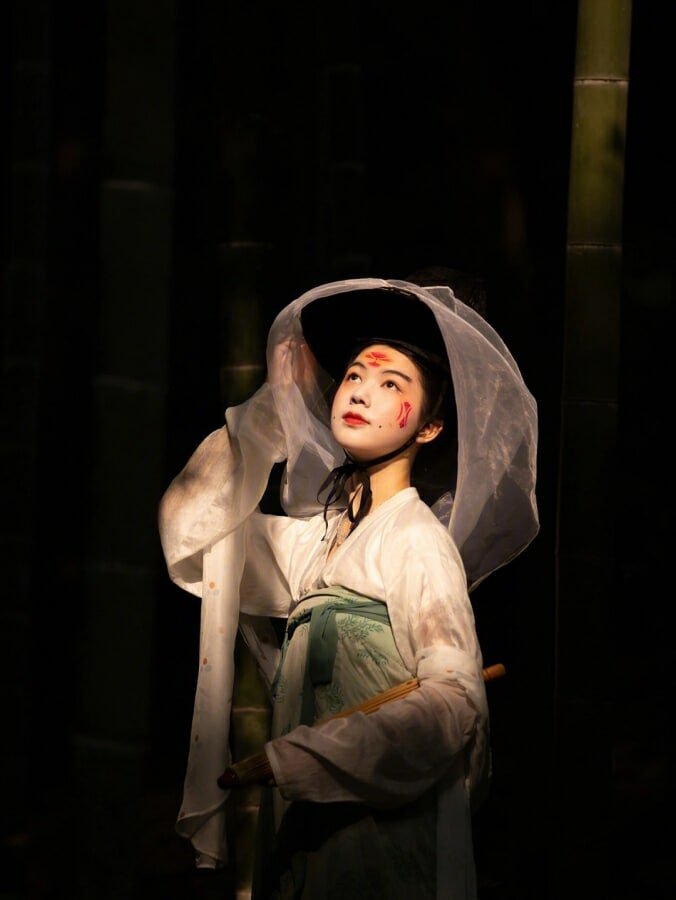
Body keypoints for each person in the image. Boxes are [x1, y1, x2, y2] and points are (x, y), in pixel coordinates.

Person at [158, 277, 539, 899]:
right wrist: (272, 406)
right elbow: (194, 525)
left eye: (391, 385)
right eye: (355, 376)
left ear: (428, 428)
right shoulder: (317, 545)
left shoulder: (417, 540)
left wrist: (306, 758)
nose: (360, 391)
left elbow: (454, 706)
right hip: (302, 833)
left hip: (379, 842)